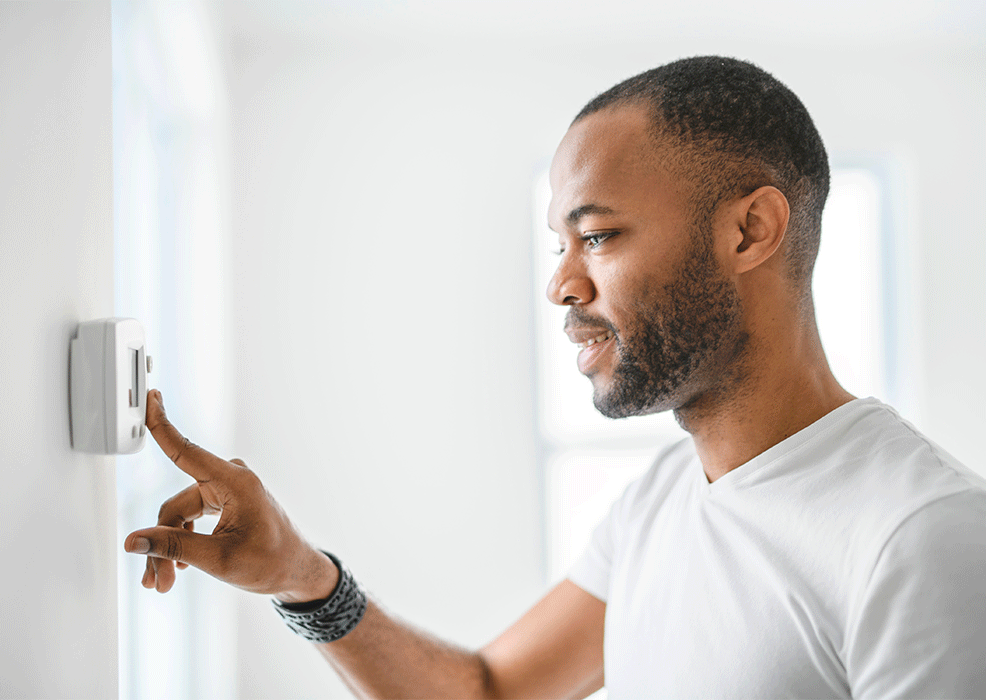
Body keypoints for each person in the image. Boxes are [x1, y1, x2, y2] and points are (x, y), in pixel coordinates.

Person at [126, 56, 986, 698]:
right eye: (559, 245)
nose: (561, 284)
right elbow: (490, 692)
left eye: (600, 236)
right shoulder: (662, 497)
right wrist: (302, 578)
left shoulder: (920, 538)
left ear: (750, 231)